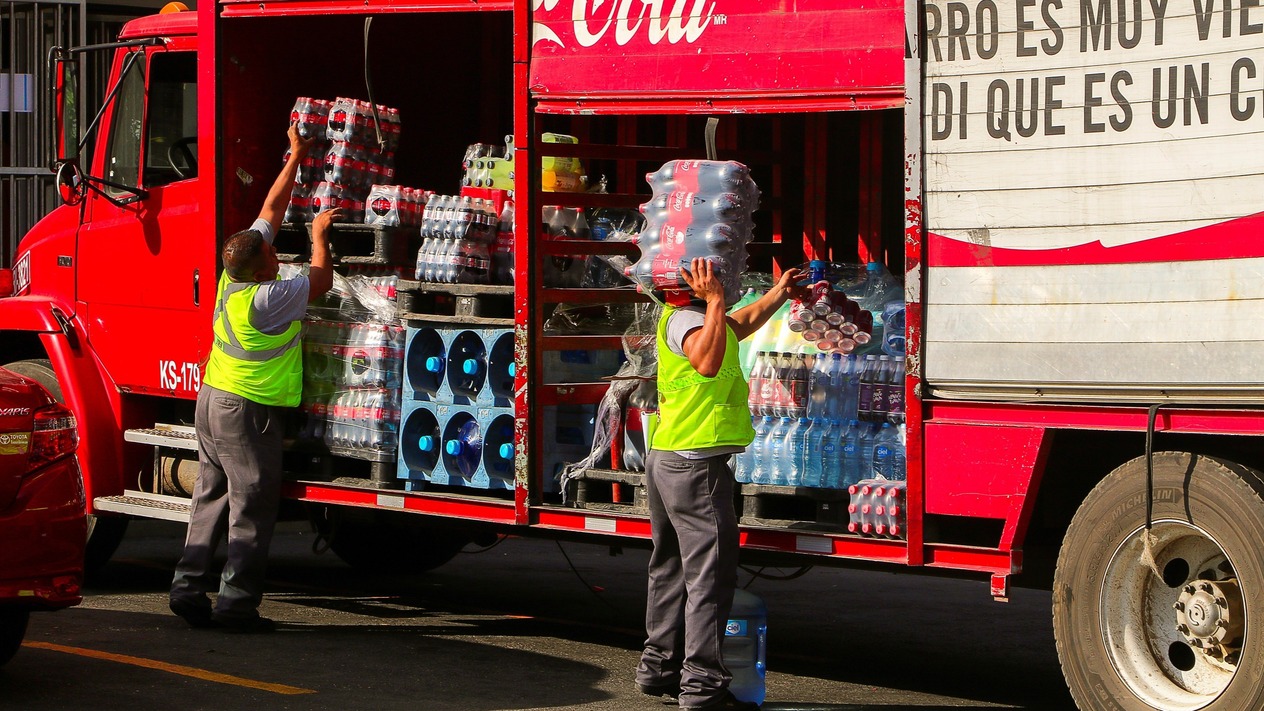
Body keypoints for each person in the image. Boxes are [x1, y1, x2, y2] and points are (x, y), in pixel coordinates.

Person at [169, 125, 337, 632]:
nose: (276, 254)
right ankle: (236, 606)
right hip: (247, 411)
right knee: (251, 504)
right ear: (262, 270)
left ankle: (187, 587)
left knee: (210, 496)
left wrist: (296, 156)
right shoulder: (267, 300)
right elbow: (322, 280)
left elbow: (270, 209)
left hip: (212, 400)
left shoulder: (232, 275)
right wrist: (319, 238)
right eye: (272, 257)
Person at [636, 258, 808, 710]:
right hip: (693, 464)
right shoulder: (689, 318)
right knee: (709, 578)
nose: (728, 282)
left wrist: (778, 294)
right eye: (720, 277)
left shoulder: (701, 318)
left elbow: (738, 325)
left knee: (672, 569)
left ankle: (659, 669)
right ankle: (702, 688)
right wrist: (714, 300)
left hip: (673, 454)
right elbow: (708, 362)